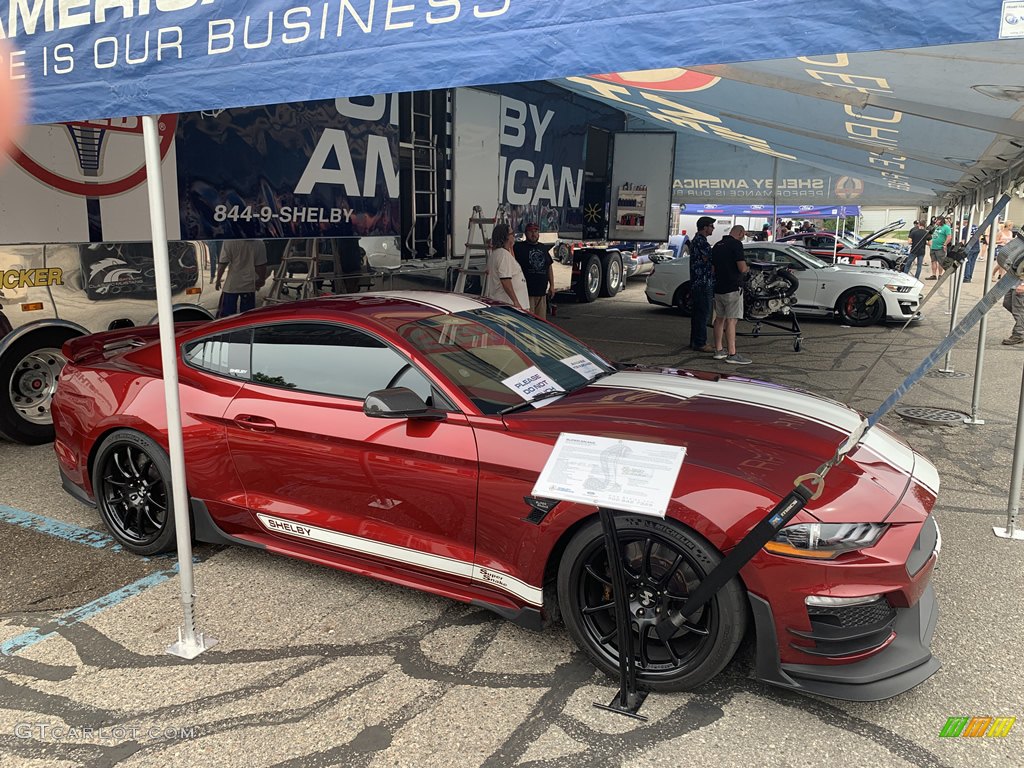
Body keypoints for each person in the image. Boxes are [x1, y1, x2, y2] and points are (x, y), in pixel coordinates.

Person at [711, 225, 751, 365]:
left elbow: (713, 268)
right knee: (731, 320)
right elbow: (741, 267)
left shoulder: (717, 245)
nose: (743, 236)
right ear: (740, 233)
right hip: (733, 287)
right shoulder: (736, 244)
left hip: (718, 287)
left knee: (719, 319)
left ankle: (718, 350)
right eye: (744, 234)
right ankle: (732, 353)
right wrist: (747, 268)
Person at [215, 239, 267, 317]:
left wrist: (218, 280)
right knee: (248, 317)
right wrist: (262, 279)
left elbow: (223, 263)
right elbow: (260, 266)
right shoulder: (259, 243)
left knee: (226, 317)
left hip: (231, 285)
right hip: (249, 285)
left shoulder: (229, 241)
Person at [513, 222, 555, 316]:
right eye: (530, 231)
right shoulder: (518, 247)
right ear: (525, 233)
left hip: (541, 293)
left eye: (536, 231)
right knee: (528, 321)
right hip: (526, 293)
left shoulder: (543, 248)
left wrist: (552, 285)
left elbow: (549, 266)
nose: (533, 234)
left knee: (541, 322)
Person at [483, 223, 527, 310]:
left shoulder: (498, 253)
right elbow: (505, 280)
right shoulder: (503, 255)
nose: (514, 236)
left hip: (505, 304)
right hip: (509, 305)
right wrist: (516, 301)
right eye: (512, 234)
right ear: (506, 237)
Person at [688, 216, 716, 353]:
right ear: (705, 227)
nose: (713, 228)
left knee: (697, 313)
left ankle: (695, 341)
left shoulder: (696, 240)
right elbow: (711, 258)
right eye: (711, 226)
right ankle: (700, 343)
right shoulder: (701, 242)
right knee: (702, 313)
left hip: (697, 282)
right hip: (703, 282)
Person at [1002, 273, 1024, 345]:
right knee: (1007, 303)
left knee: (1018, 310)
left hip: (1021, 284)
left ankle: (1019, 334)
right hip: (1013, 282)